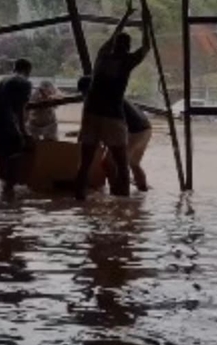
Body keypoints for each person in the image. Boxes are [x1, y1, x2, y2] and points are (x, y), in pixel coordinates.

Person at [73, 0, 151, 200]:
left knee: (85, 164)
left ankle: (79, 201)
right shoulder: (127, 62)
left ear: (114, 44)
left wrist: (126, 16)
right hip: (112, 117)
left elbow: (114, 34)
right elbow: (146, 46)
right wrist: (145, 22)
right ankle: (122, 208)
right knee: (121, 165)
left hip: (91, 113)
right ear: (127, 47)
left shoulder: (101, 57)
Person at [78, 76, 152, 191]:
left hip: (133, 131)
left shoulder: (100, 99)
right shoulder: (110, 94)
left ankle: (116, 192)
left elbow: (110, 125)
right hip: (145, 128)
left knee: (109, 163)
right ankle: (142, 191)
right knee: (133, 163)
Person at [0, 58, 34, 197]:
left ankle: (3, 189)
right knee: (15, 150)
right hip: (3, 121)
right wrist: (24, 132)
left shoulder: (2, 80)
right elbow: (20, 110)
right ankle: (9, 193)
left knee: (4, 155)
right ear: (28, 71)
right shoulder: (24, 82)